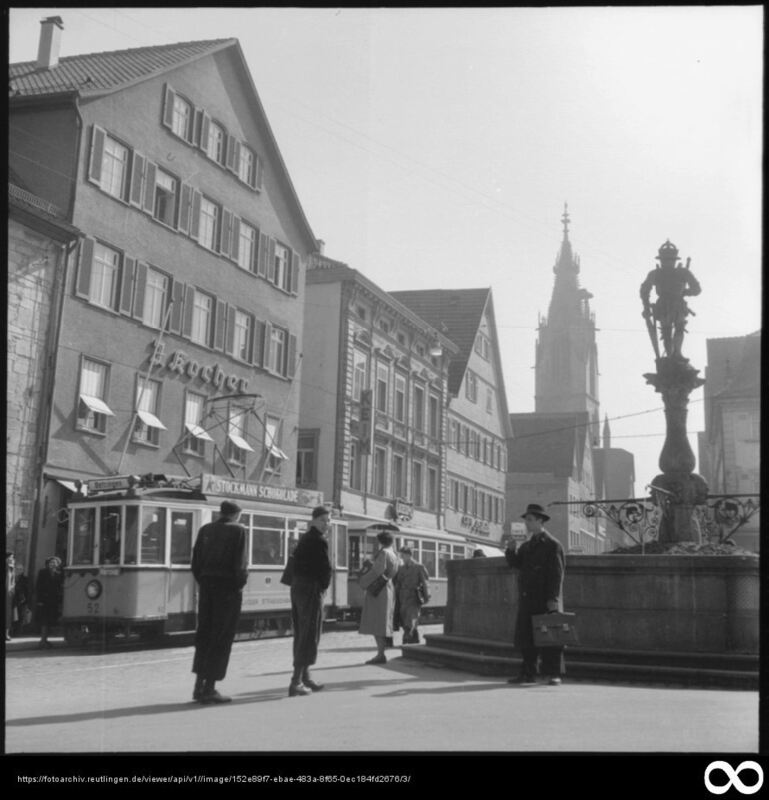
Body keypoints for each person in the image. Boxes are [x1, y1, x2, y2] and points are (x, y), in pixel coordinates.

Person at [191, 500, 248, 704]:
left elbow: (195, 561)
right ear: (235, 515)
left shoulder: (205, 529)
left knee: (204, 634)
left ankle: (198, 685)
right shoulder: (238, 531)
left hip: (207, 587)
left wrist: (204, 580)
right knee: (221, 636)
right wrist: (239, 585)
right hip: (227, 590)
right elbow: (240, 564)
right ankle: (210, 688)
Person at [505, 503, 565, 686]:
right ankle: (527, 672)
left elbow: (557, 574)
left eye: (530, 520)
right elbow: (517, 564)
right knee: (527, 638)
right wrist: (510, 550)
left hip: (545, 599)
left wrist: (553, 599)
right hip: (528, 598)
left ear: (540, 521)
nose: (527, 523)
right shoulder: (528, 545)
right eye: (526, 520)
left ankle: (553, 673)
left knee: (551, 638)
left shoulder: (552, 544)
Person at [288, 505, 333, 697]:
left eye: (328, 520)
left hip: (298, 588)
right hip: (311, 590)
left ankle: (305, 676)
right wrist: (323, 587)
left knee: (302, 632)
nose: (327, 524)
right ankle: (296, 681)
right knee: (309, 635)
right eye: (323, 520)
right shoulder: (319, 541)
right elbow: (325, 568)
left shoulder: (305, 538)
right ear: (314, 520)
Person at [358, 530, 399, 664]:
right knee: (383, 620)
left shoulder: (383, 553)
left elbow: (377, 571)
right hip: (388, 587)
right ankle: (381, 653)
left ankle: (380, 654)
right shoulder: (394, 554)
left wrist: (363, 581)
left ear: (380, 541)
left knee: (377, 621)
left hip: (378, 589)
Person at [394, 546, 430, 644]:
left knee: (411, 618)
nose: (401, 558)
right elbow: (398, 583)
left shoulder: (419, 567)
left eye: (403, 555)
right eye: (401, 555)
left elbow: (425, 582)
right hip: (402, 598)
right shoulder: (401, 569)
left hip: (414, 597)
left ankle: (407, 638)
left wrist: (426, 597)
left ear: (409, 555)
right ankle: (415, 639)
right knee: (404, 618)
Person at [35, 556, 63, 648]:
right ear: (48, 564)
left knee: (50, 621)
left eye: (54, 563)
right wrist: (39, 600)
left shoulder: (58, 574)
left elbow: (59, 587)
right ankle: (42, 641)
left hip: (53, 601)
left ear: (57, 564)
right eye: (51, 563)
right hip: (44, 600)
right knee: (44, 621)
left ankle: (45, 640)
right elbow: (39, 586)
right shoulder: (42, 572)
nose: (52, 564)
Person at [13, 563, 31, 636]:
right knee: (12, 616)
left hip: (22, 600)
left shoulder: (25, 579)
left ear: (23, 570)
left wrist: (26, 599)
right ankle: (12, 631)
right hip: (12, 599)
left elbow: (28, 590)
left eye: (20, 569)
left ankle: (18, 632)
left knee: (21, 616)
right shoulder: (12, 577)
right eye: (17, 569)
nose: (18, 571)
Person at [6, 553, 16, 641]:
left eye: (12, 558)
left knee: (8, 615)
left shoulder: (12, 568)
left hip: (8, 596)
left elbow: (13, 582)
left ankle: (6, 634)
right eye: (10, 558)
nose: (12, 559)